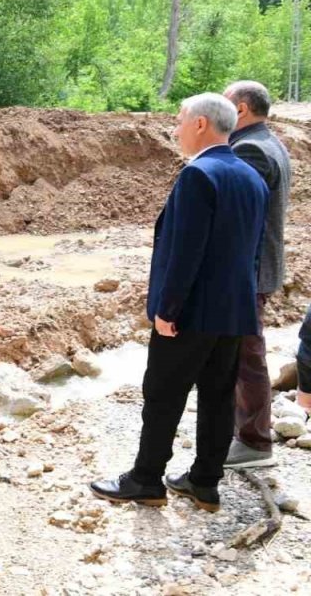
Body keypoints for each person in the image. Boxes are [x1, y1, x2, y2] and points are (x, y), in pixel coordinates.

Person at [91, 93, 267, 512]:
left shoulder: (198, 175)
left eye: (180, 120)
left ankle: (146, 480)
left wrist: (167, 309)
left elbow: (185, 252)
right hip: (233, 309)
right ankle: (205, 483)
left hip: (191, 312)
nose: (175, 129)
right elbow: (252, 252)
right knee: (218, 397)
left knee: (163, 394)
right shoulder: (252, 178)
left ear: (201, 124)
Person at [222, 81, 292, 469]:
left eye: (225, 102)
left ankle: (254, 441)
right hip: (257, 268)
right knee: (246, 352)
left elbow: (238, 219)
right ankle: (246, 433)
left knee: (247, 356)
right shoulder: (271, 142)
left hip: (248, 272)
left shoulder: (249, 149)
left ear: (242, 109)